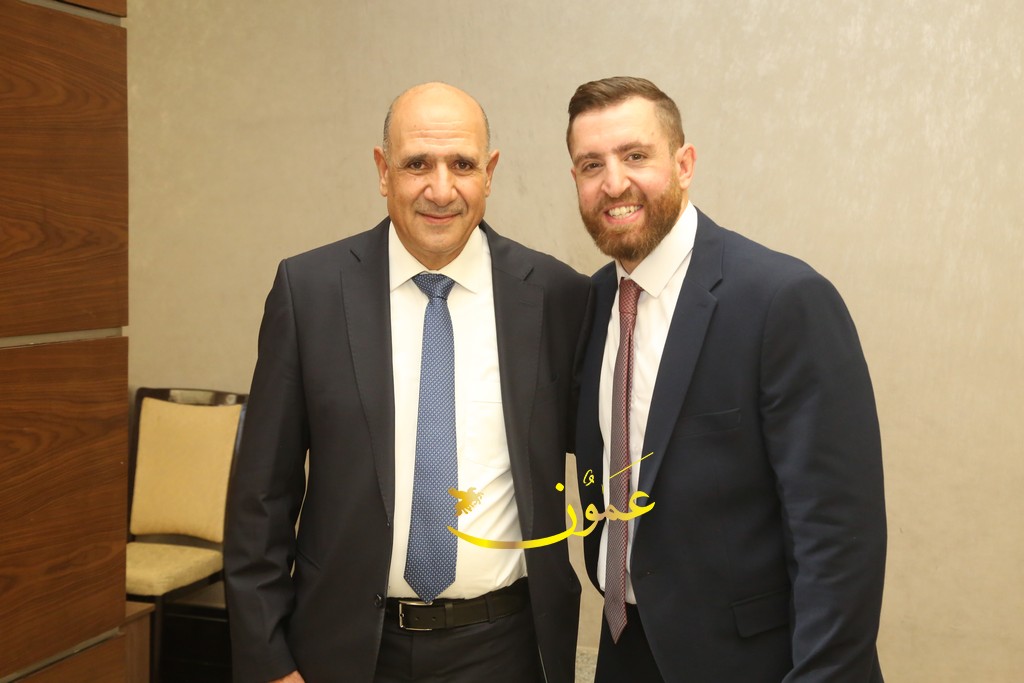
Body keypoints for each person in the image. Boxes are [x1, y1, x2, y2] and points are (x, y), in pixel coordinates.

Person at [224, 82, 590, 683]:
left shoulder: (557, 297)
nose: (440, 190)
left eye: (462, 165)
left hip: (507, 650)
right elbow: (260, 499)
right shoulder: (310, 293)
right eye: (418, 163)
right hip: (345, 651)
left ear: (490, 173)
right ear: (382, 170)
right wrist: (269, 663)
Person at [566, 76, 886, 682]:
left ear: (684, 164)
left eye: (636, 156)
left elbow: (839, 535)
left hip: (755, 662)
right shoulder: (592, 302)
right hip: (626, 648)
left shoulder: (782, 300)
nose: (614, 183)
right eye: (591, 165)